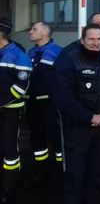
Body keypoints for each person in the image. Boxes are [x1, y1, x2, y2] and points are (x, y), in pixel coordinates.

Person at [52, 24, 100, 204]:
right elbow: (63, 98)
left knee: (99, 173)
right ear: (82, 40)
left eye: (99, 39)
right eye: (91, 39)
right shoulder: (68, 61)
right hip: (78, 129)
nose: (95, 43)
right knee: (75, 174)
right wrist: (90, 117)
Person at [26, 21, 63, 184]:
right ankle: (41, 171)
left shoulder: (58, 53)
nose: (30, 32)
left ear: (45, 33)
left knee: (55, 137)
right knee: (36, 138)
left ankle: (61, 170)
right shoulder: (31, 52)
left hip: (50, 104)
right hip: (32, 104)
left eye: (34, 29)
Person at [0, 17, 32, 203]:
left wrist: (2, 101)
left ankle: (10, 185)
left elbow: (22, 85)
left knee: (9, 146)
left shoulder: (18, 54)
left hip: (11, 109)